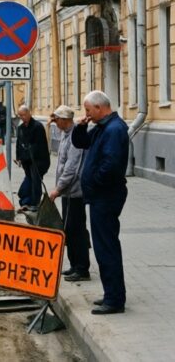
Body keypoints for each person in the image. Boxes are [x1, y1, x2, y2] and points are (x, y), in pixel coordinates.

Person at [71, 90, 128, 315]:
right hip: (100, 196)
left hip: (106, 196)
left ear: (99, 107)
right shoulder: (102, 127)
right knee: (104, 246)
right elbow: (81, 142)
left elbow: (111, 165)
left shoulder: (114, 129)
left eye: (88, 110)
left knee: (106, 248)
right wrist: (81, 126)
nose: (86, 114)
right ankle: (111, 293)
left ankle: (114, 300)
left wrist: (94, 182)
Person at [48, 105, 91, 283]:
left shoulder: (74, 137)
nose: (54, 122)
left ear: (65, 120)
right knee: (69, 229)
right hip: (68, 192)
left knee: (76, 229)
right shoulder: (65, 134)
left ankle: (82, 268)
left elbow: (72, 168)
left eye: (57, 119)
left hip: (75, 192)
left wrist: (58, 189)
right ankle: (74, 265)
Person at [15, 105, 50, 211]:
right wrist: (18, 157)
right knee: (30, 180)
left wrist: (28, 154)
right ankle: (27, 202)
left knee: (35, 181)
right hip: (26, 161)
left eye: (24, 115)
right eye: (20, 116)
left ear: (29, 113)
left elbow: (40, 146)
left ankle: (34, 204)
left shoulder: (37, 126)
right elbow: (18, 143)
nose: (22, 117)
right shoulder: (20, 128)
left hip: (38, 160)